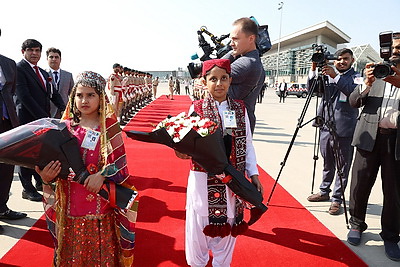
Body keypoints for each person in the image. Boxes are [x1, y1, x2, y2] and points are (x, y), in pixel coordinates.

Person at [35, 71, 139, 266]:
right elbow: (53, 166)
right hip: (71, 211)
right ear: (72, 98)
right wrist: (46, 178)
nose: (84, 100)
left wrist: (103, 175)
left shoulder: (110, 129)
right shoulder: (63, 129)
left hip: (102, 211)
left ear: (101, 98)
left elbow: (121, 166)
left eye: (91, 95)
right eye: (79, 95)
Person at [175, 59, 263, 267]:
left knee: (228, 227)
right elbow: (186, 143)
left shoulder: (240, 109)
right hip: (202, 179)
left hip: (233, 179)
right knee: (199, 226)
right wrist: (181, 151)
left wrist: (254, 174)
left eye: (224, 78)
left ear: (231, 80)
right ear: (204, 82)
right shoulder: (195, 108)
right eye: (213, 79)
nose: (219, 84)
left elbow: (248, 143)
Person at [346, 32, 400, 261]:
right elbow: (353, 101)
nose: (396, 52)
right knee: (359, 183)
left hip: (395, 141)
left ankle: (390, 236)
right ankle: (356, 224)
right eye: (395, 48)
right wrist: (367, 84)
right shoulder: (375, 71)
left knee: (394, 192)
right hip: (369, 136)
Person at [307, 48, 360, 216]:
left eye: (345, 59)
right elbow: (313, 90)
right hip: (325, 126)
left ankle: (337, 198)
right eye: (338, 59)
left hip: (345, 129)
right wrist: (314, 69)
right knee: (327, 162)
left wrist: (335, 76)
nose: (341, 61)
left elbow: (353, 93)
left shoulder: (357, 76)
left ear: (352, 60)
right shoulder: (328, 75)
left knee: (342, 166)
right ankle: (324, 191)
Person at [15, 39, 66, 202]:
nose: (34, 53)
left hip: (41, 120)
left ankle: (38, 182)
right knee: (24, 154)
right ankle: (27, 189)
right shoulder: (19, 69)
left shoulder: (43, 73)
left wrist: (64, 108)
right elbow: (24, 97)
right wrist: (42, 117)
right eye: (31, 50)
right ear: (23, 52)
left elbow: (53, 94)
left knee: (39, 152)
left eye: (37, 50)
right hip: (27, 119)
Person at [0, 45, 27, 234]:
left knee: (6, 168)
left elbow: (11, 93)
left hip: (7, 122)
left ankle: (2, 207)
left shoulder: (9, 64)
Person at [223, 17, 266, 134]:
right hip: (239, 122)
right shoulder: (250, 59)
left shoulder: (247, 62)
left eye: (235, 39)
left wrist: (232, 53)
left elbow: (213, 71)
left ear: (251, 38)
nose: (231, 44)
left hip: (236, 127)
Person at [46, 47, 74, 118]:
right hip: (48, 111)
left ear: (60, 59)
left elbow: (72, 94)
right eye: (51, 57)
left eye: (56, 57)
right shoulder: (43, 74)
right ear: (47, 59)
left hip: (64, 112)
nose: (54, 59)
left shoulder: (68, 75)